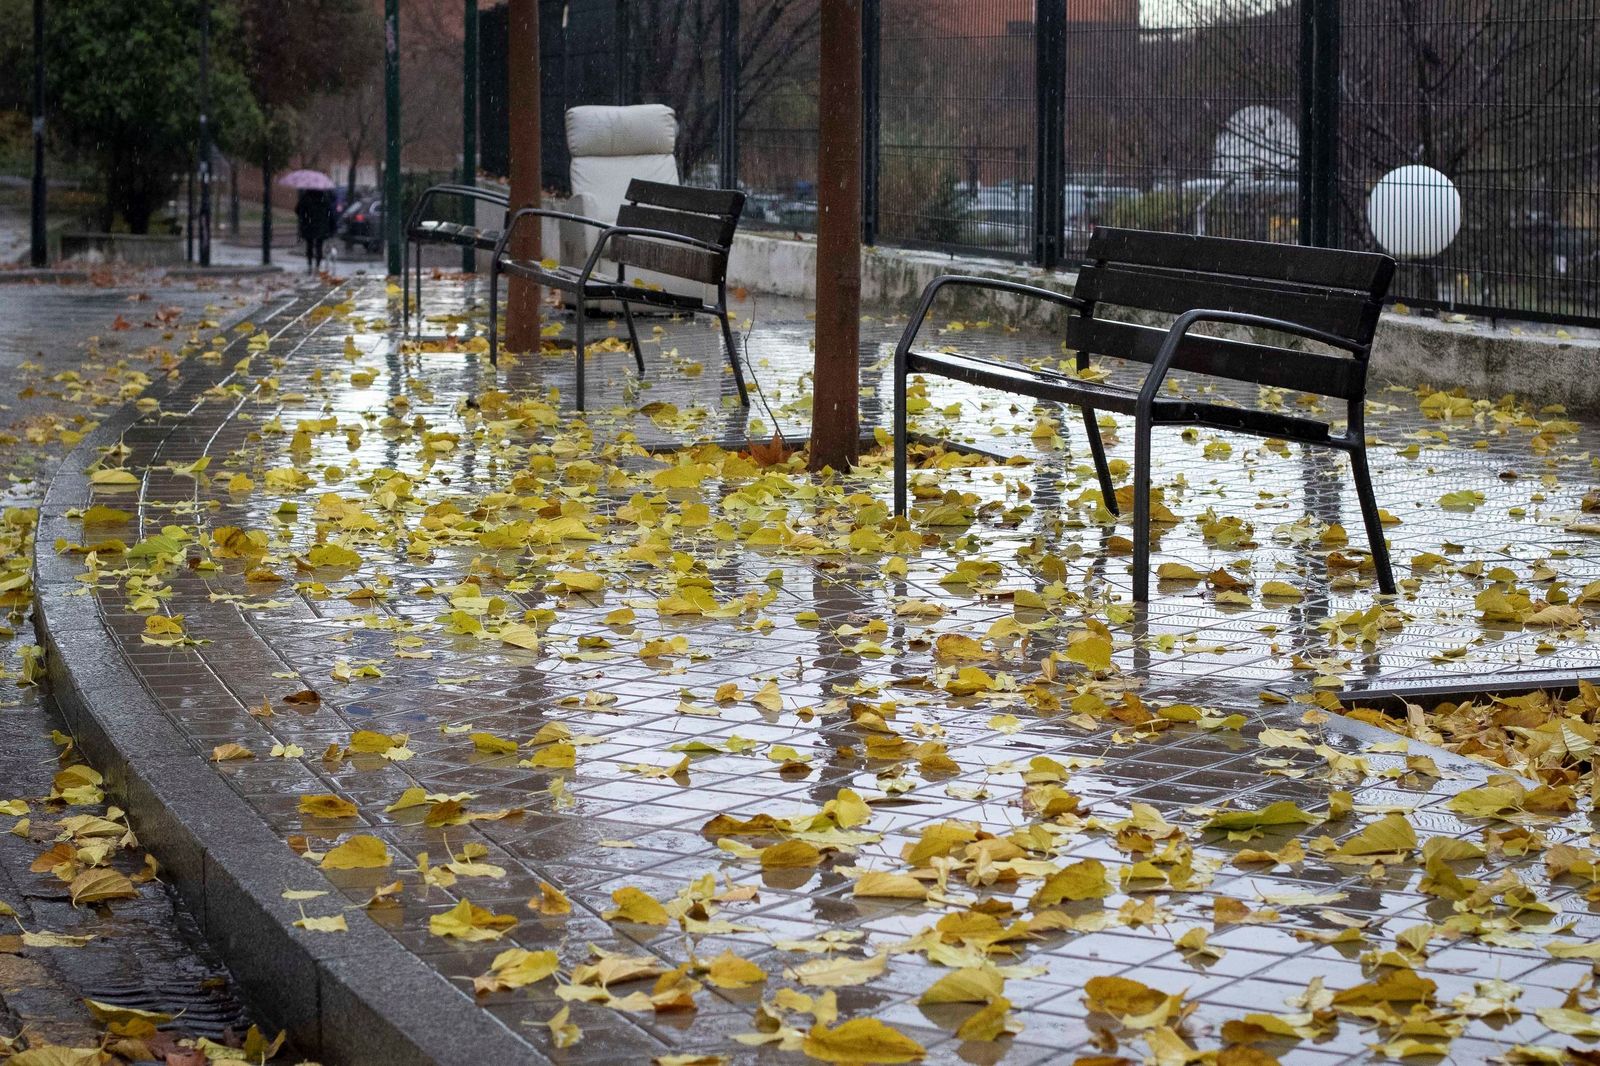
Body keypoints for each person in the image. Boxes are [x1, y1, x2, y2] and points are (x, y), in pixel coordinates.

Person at [295, 189, 338, 273]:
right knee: (319, 246)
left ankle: (310, 263)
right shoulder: (324, 198)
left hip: (309, 225)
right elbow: (330, 213)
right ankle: (317, 265)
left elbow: (297, 210)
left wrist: (305, 215)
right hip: (321, 226)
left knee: (309, 245)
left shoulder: (306, 197)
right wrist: (332, 227)